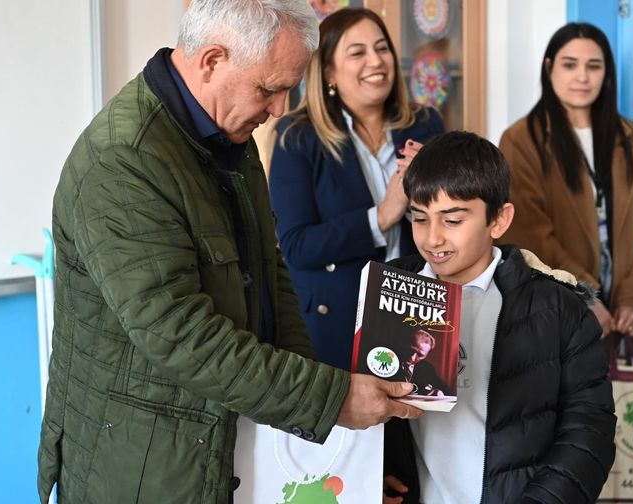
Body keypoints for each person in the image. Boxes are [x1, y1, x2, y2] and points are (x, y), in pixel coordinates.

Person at [37, 2, 421, 503]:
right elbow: (180, 334)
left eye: (289, 88)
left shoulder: (225, 136)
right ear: (212, 61)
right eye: (269, 89)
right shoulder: (123, 160)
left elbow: (271, 277)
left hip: (218, 438)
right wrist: (332, 399)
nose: (280, 108)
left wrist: (343, 457)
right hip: (140, 462)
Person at [382, 131, 616, 503]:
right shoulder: (390, 291)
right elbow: (367, 409)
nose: (432, 239)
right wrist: (372, 474)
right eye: (420, 218)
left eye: (453, 220)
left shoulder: (556, 308)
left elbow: (589, 432)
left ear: (499, 220)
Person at [269, 7, 444, 370]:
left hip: (418, 308)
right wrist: (381, 217)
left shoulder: (425, 124)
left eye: (382, 48)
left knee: (416, 424)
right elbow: (297, 246)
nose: (376, 61)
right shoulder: (297, 136)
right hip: (338, 319)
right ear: (329, 72)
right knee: (353, 426)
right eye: (357, 52)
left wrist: (433, 182)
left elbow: (453, 216)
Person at [499, 22, 633, 344]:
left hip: (623, 317)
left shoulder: (629, 136)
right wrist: (583, 293)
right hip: (556, 314)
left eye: (594, 66)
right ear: (549, 68)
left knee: (623, 395)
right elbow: (529, 232)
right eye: (569, 65)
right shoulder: (522, 140)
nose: (582, 77)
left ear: (607, 73)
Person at [397, 329, 451, 397]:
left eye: (420, 355)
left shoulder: (427, 369)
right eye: (411, 350)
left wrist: (438, 391)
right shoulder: (390, 359)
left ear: (426, 355)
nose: (412, 357)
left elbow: (447, 391)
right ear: (405, 345)